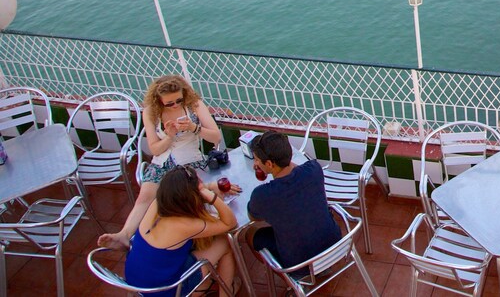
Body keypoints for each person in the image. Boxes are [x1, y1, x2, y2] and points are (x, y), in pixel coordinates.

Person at [100, 75, 226, 251]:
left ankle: (191, 239)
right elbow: (154, 149)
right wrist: (169, 136)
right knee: (146, 197)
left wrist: (193, 128)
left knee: (186, 199)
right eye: (169, 103)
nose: (175, 105)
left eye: (178, 100)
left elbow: (216, 137)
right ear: (158, 100)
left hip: (189, 161)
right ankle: (124, 235)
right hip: (162, 161)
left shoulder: (194, 105)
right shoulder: (151, 112)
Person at [124, 166, 238, 297]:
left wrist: (208, 186)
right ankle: (227, 293)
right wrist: (212, 197)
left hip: (135, 283)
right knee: (224, 242)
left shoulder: (158, 204)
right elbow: (229, 223)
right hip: (164, 291)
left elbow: (179, 192)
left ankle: (210, 283)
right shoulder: (184, 225)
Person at [244, 132, 342, 272]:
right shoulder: (314, 169)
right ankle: (322, 267)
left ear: (270, 163)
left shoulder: (263, 195)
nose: (255, 164)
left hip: (299, 262)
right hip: (335, 244)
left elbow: (254, 217)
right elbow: (294, 171)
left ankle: (292, 279)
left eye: (257, 160)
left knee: (250, 233)